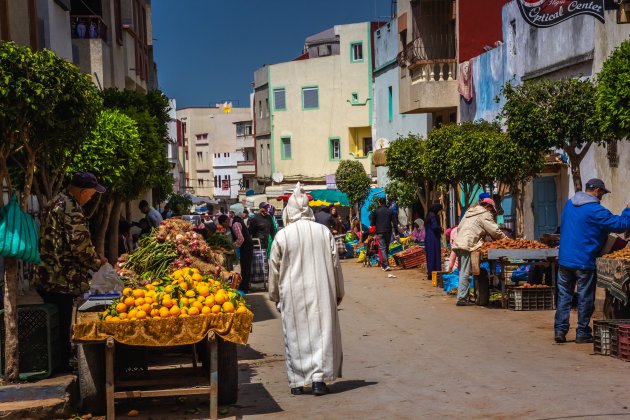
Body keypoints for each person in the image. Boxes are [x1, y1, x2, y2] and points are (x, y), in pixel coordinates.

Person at [269, 182, 344, 396]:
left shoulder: (282, 236)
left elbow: (273, 269)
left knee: (296, 334)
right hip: (322, 291)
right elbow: (335, 264)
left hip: (292, 294)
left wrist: (274, 295)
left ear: (289, 211)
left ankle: (297, 382)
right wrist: (338, 292)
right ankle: (319, 379)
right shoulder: (323, 232)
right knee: (321, 334)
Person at [33, 172, 108, 372]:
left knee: (55, 323)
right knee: (63, 321)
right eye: (91, 194)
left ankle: (56, 361)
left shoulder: (55, 201)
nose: (91, 198)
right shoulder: (71, 209)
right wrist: (97, 263)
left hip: (46, 273)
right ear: (83, 192)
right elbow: (79, 246)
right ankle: (61, 366)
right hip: (61, 277)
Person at [555, 179, 630, 344]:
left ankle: (560, 331)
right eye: (602, 193)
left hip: (565, 260)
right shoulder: (595, 210)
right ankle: (582, 332)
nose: (602, 197)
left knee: (564, 296)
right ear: (596, 190)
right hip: (584, 261)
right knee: (585, 298)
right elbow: (620, 225)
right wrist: (628, 211)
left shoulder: (569, 204)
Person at [452, 198, 507, 306]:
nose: (492, 212)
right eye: (492, 210)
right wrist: (506, 240)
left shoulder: (470, 212)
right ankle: (462, 299)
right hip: (467, 244)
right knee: (466, 273)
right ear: (488, 207)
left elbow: (460, 228)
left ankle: (464, 296)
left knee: (463, 271)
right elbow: (494, 231)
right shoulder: (484, 214)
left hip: (460, 242)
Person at [219, 213, 254, 294]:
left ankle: (245, 288)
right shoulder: (233, 223)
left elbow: (241, 239)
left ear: (226, 221)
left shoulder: (235, 224)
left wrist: (232, 246)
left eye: (224, 225)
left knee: (246, 267)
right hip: (244, 246)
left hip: (247, 246)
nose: (225, 227)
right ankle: (244, 286)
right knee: (244, 266)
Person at [370, 197, 397, 271]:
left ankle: (386, 264)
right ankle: (385, 264)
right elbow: (395, 223)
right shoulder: (390, 211)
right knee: (386, 247)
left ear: (379, 203)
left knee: (382, 248)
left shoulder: (376, 211)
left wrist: (373, 231)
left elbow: (372, 223)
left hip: (380, 232)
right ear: (385, 202)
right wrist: (396, 232)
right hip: (388, 231)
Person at [425, 204, 443, 280]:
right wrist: (441, 229)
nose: (440, 212)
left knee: (430, 256)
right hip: (434, 239)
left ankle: (430, 273)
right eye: (440, 210)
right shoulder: (433, 216)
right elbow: (435, 227)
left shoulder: (429, 215)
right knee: (435, 255)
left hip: (429, 238)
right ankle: (435, 273)